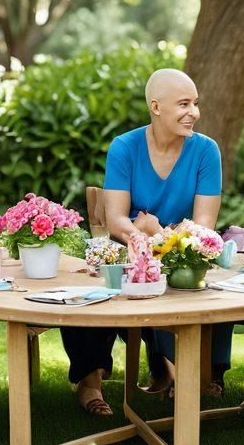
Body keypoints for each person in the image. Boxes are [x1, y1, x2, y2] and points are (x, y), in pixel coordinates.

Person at [59, 69, 223, 415]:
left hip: (182, 252)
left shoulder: (206, 151)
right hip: (130, 247)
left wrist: (158, 231)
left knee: (192, 286)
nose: (193, 112)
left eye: (195, 103)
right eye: (183, 103)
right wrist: (138, 236)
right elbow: (116, 216)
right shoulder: (125, 147)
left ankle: (185, 372)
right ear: (156, 106)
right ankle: (90, 380)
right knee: (90, 290)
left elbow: (204, 224)